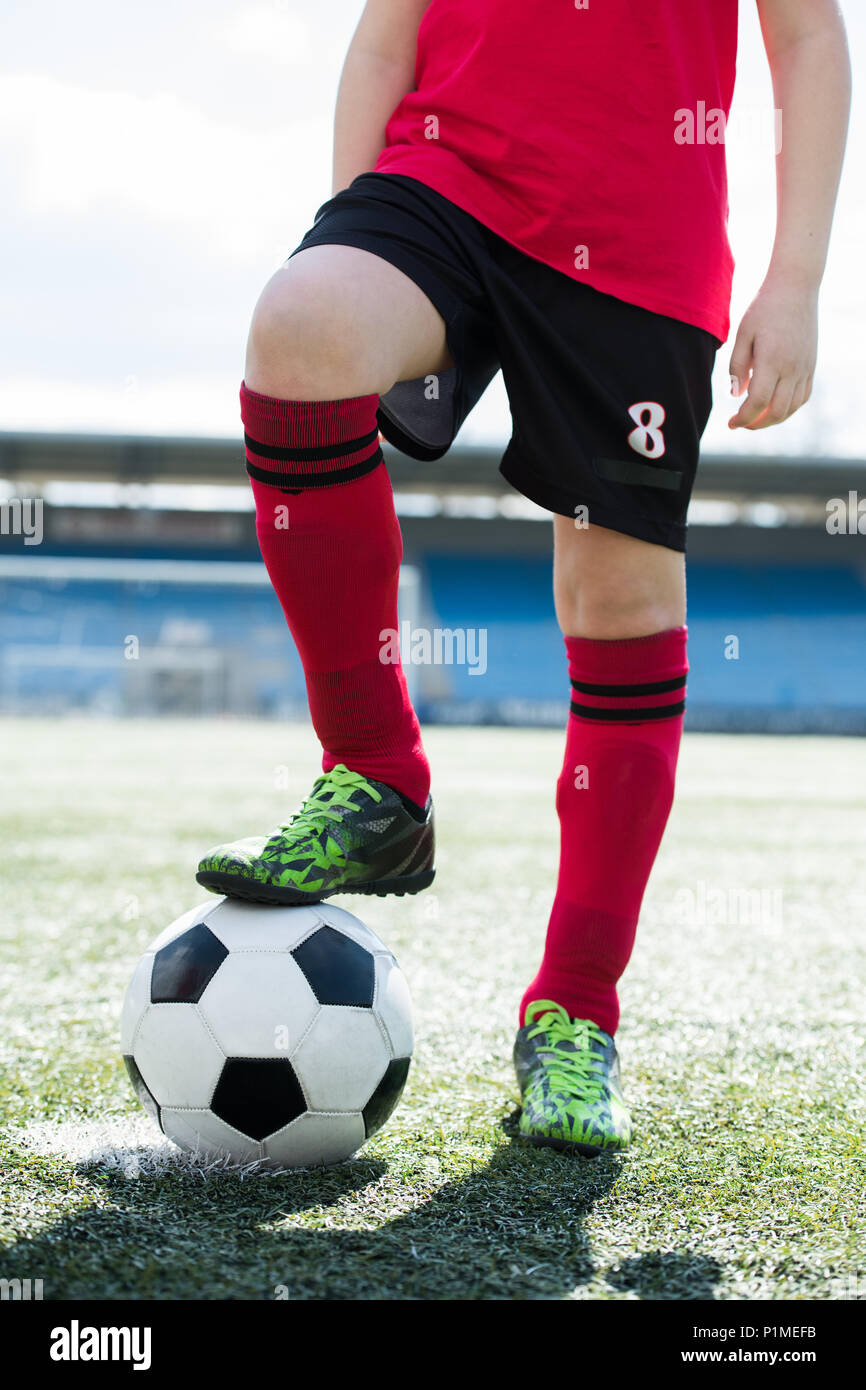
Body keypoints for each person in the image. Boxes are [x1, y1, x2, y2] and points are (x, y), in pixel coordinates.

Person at [196, 0, 850, 1154]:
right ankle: (377, 779)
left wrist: (793, 280)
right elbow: (385, 34)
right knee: (302, 328)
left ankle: (575, 1011)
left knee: (619, 605)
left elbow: (805, 34)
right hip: (443, 180)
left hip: (641, 241)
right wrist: (349, 222)